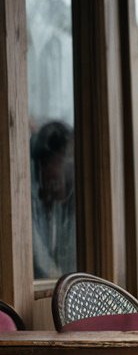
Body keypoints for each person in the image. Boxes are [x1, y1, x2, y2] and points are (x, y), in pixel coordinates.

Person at [30, 119, 77, 279]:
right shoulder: (29, 210)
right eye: (65, 161)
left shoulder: (64, 211)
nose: (70, 173)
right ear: (41, 166)